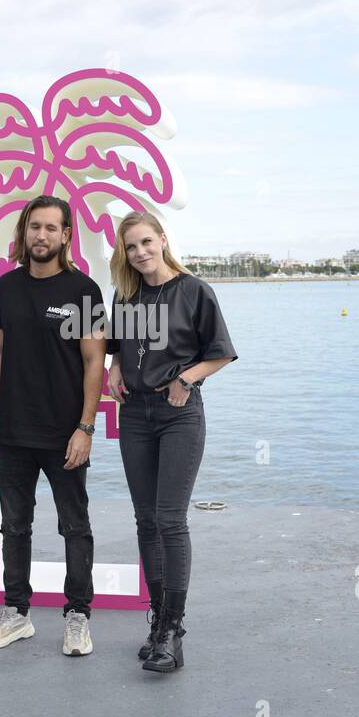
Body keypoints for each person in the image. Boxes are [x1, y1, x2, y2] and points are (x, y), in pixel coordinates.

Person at [105, 211, 237, 672]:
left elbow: (220, 352)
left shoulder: (195, 290)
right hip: (135, 415)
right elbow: (116, 349)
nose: (139, 253)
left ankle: (172, 632)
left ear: (162, 239)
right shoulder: (125, 295)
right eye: (131, 247)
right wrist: (115, 369)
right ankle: (157, 620)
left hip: (179, 413)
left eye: (146, 242)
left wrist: (186, 377)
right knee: (144, 520)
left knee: (169, 519)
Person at [0, 195, 106, 656]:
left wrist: (85, 427)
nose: (41, 236)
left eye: (51, 228)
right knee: (14, 526)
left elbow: (94, 363)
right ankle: (17, 613)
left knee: (74, 525)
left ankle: (77, 615)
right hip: (13, 430)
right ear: (24, 232)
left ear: (66, 235)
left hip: (64, 433)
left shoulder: (84, 290)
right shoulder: (8, 287)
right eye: (35, 227)